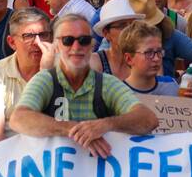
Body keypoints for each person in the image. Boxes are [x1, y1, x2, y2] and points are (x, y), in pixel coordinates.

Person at [8, 14, 159, 157]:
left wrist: (105, 125)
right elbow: (19, 118)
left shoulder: (106, 83)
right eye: (68, 40)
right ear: (56, 46)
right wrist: (75, 130)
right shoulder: (46, 80)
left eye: (84, 40)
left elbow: (148, 119)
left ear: (92, 46)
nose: (76, 47)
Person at [0, 8, 49, 143]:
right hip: (13, 156)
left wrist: (48, 74)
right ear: (12, 42)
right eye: (28, 36)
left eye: (43, 35)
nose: (38, 42)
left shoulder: (64, 71)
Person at [117, 21, 178, 96]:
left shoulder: (171, 86)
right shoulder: (119, 95)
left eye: (159, 51)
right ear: (129, 59)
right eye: (149, 53)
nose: (156, 58)